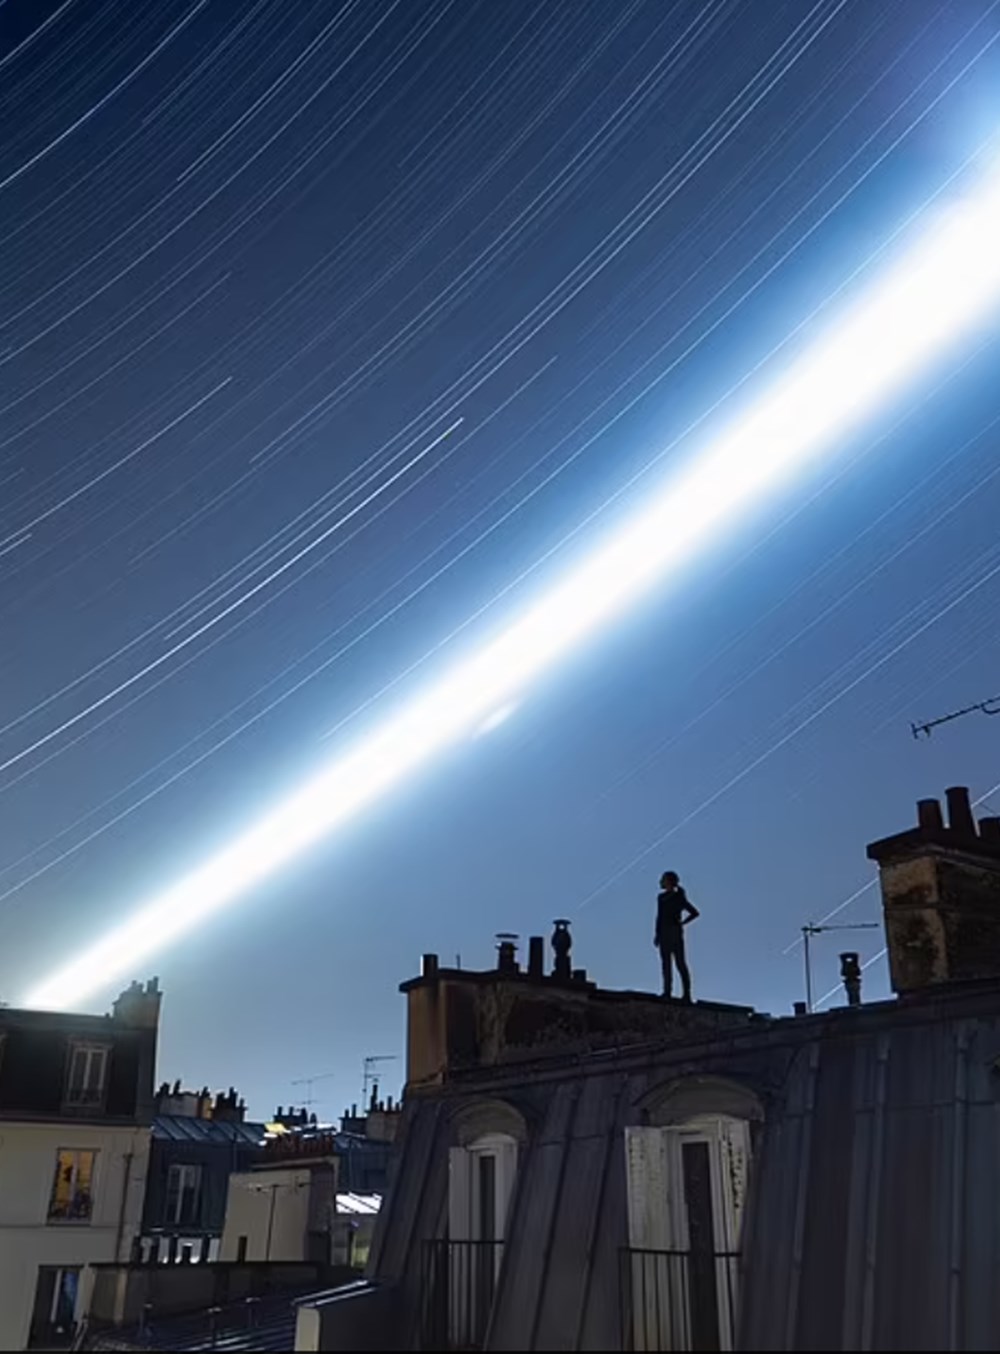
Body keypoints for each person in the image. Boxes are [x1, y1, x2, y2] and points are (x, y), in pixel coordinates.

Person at [654, 870, 699, 1002]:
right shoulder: (661, 898)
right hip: (664, 933)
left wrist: (682, 923)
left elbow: (694, 912)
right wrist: (657, 934)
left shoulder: (679, 897)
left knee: (680, 963)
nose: (661, 882)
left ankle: (686, 994)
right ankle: (667, 992)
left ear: (668, 881)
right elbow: (659, 917)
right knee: (666, 964)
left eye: (663, 879)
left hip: (674, 933)